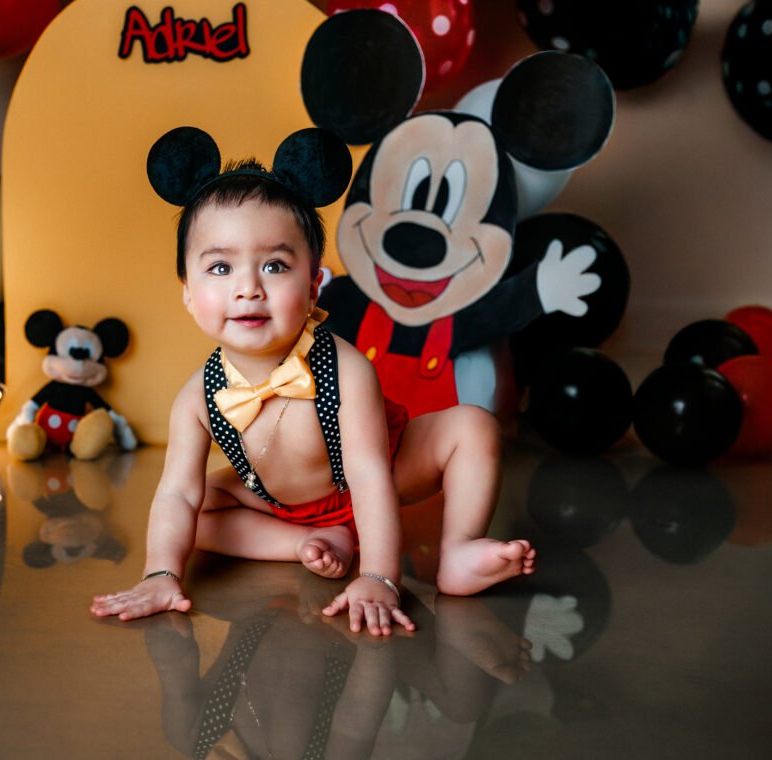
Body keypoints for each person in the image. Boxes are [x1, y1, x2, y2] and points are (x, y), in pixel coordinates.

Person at [91, 127, 535, 636]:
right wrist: (161, 573)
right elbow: (177, 495)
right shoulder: (197, 396)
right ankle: (310, 543)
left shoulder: (344, 369)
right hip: (284, 506)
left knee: (473, 427)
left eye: (275, 265)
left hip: (380, 475)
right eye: (220, 267)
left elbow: (369, 474)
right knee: (192, 506)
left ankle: (457, 551)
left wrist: (379, 577)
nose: (248, 289)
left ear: (313, 283)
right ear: (188, 293)